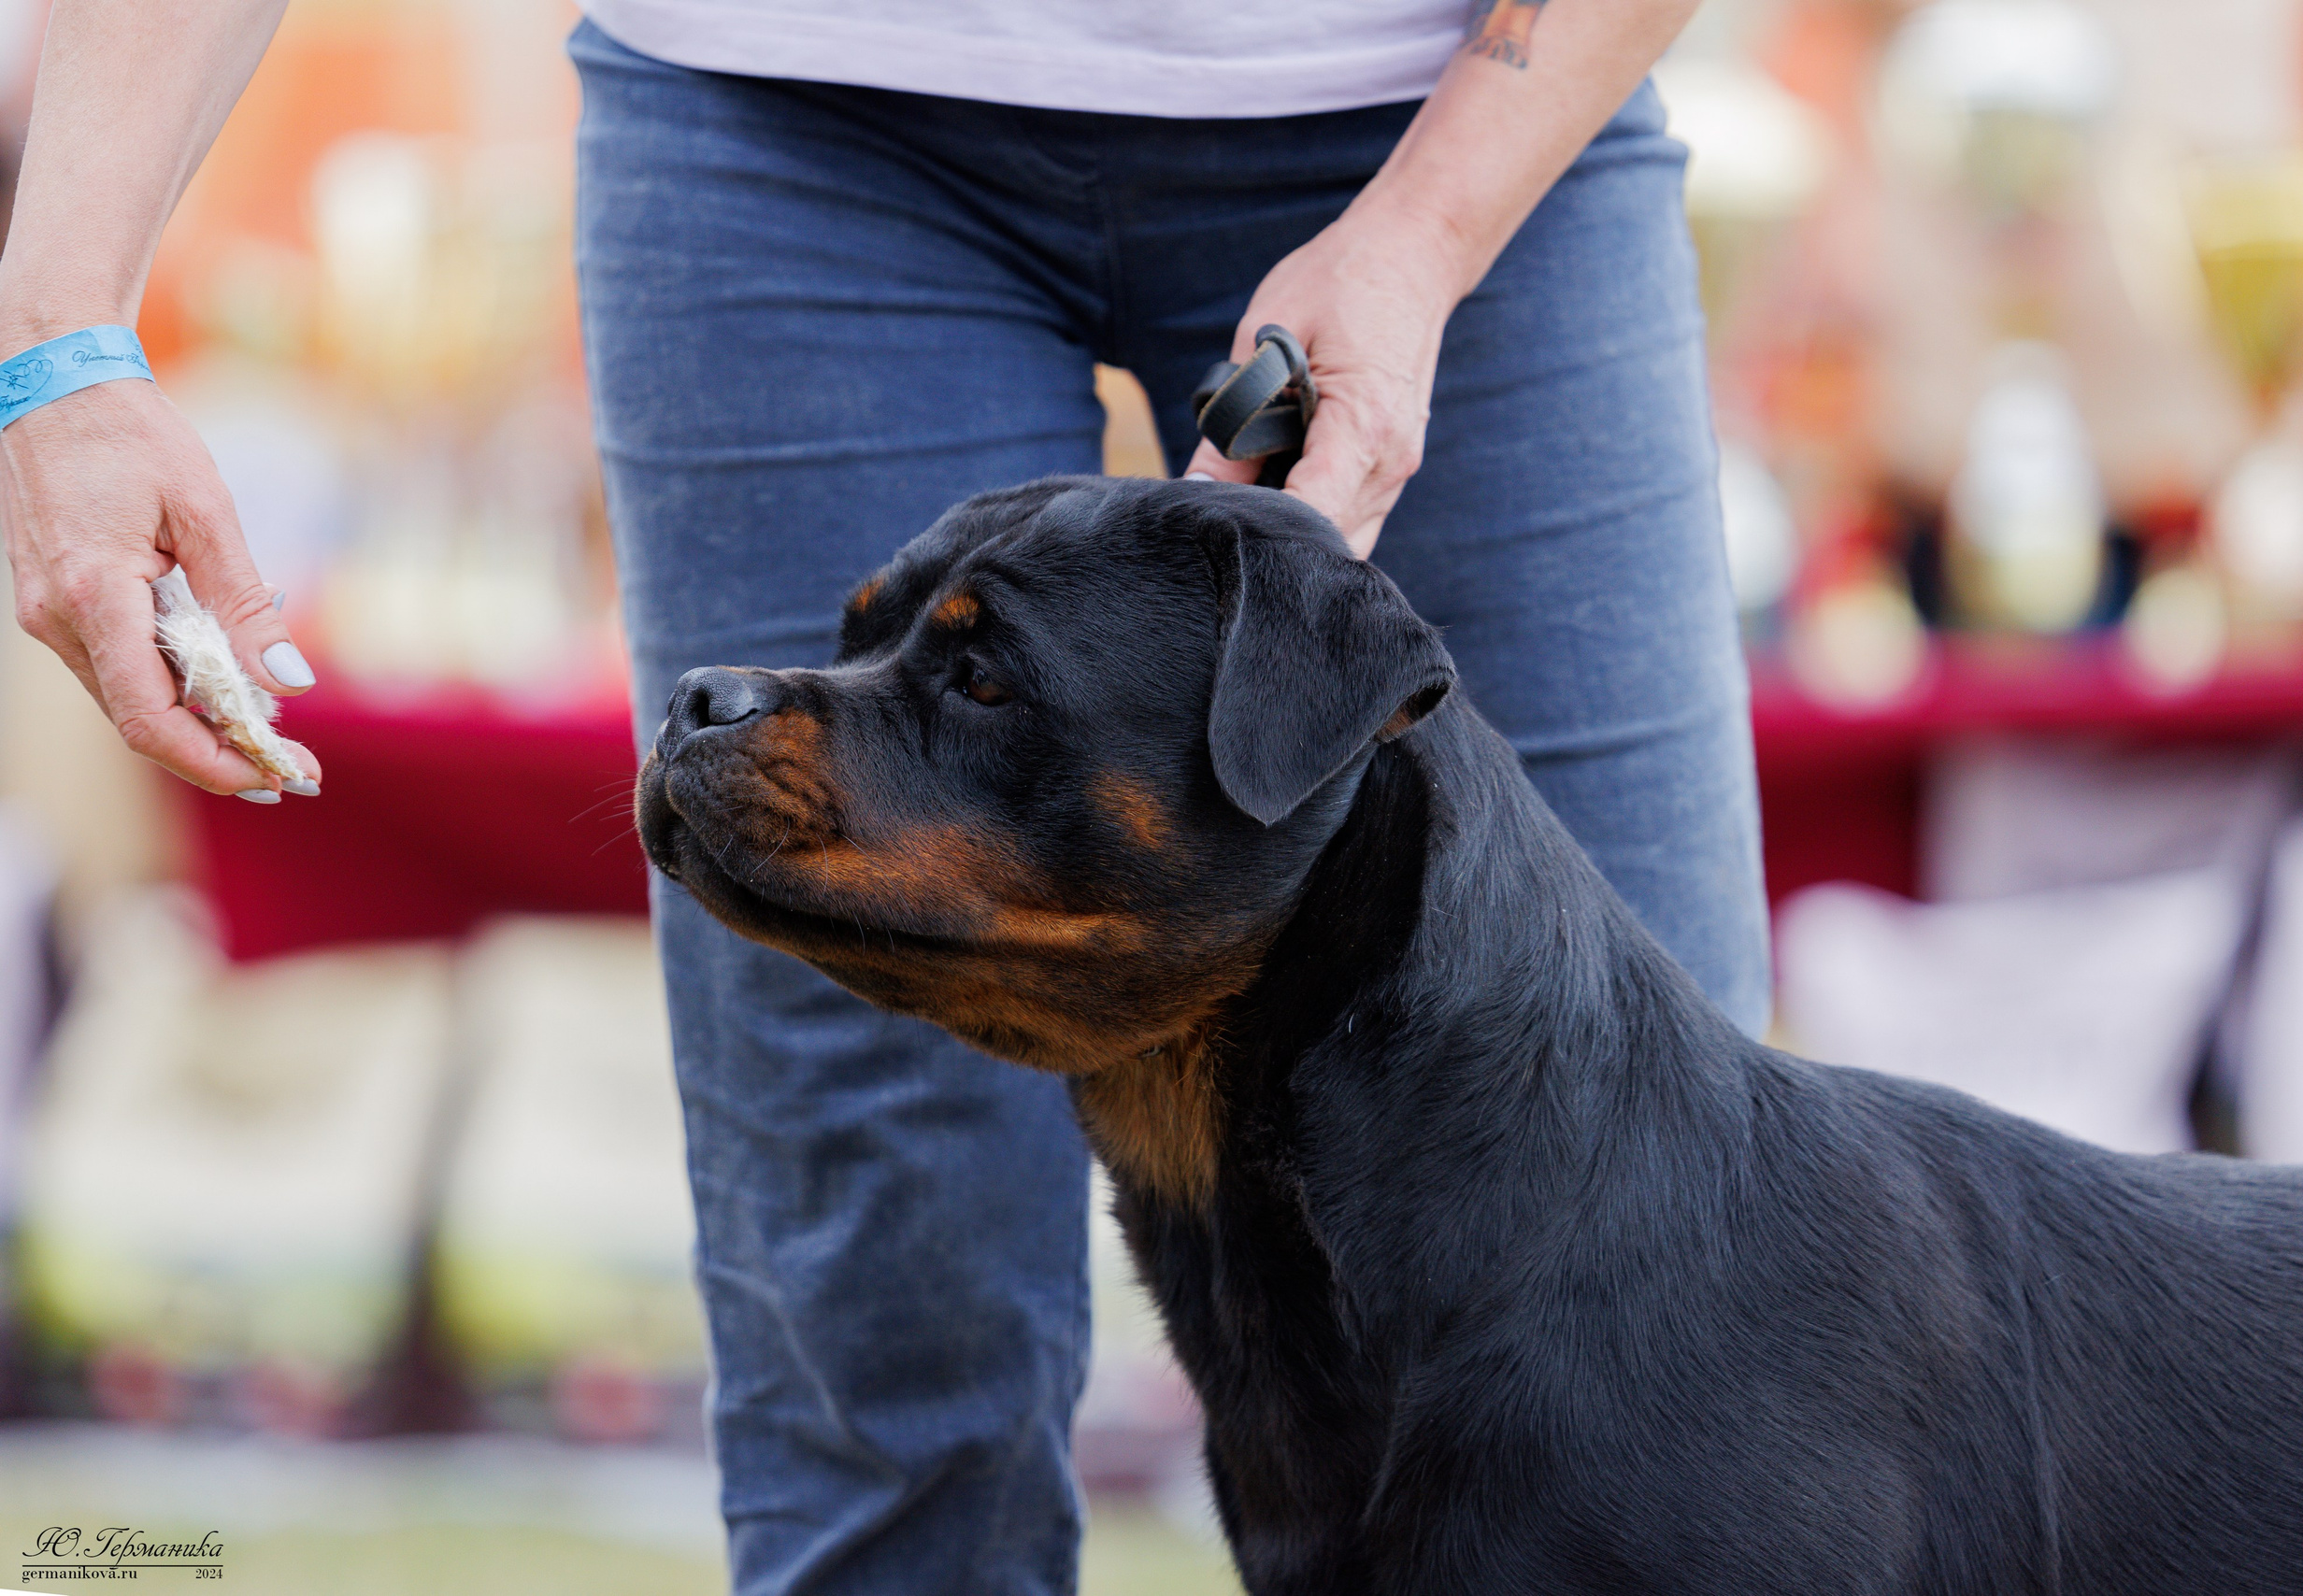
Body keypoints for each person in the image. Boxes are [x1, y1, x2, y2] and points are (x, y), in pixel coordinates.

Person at [2, 0, 1771, 1589]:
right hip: (788, 112)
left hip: (1464, 105)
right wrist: (58, 335)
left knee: (1662, 1275)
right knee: (879, 1331)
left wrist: (1433, 225)